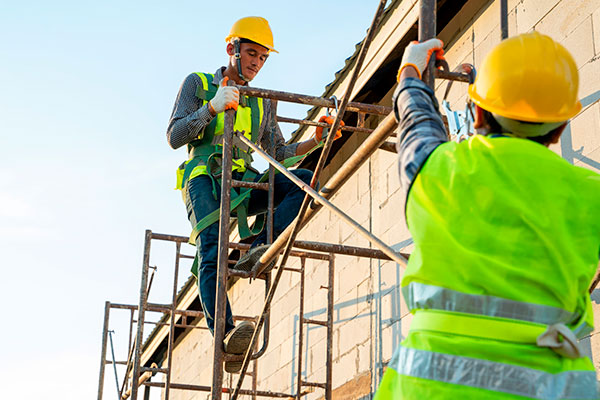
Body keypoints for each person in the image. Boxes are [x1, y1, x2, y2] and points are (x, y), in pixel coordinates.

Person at [375, 33, 600, 399]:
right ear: (559, 128)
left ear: (477, 112)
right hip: (553, 385)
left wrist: (410, 74)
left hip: (430, 386)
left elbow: (417, 125)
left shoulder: (438, 169)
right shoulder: (592, 193)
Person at [166, 16, 342, 373]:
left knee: (304, 182)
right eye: (251, 54)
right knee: (212, 251)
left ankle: (261, 244)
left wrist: (316, 139)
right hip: (204, 179)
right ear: (232, 49)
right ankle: (228, 335)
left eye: (263, 58)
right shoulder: (198, 84)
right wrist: (211, 107)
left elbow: (276, 153)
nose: (256, 63)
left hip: (244, 182)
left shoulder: (262, 102)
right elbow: (174, 135)